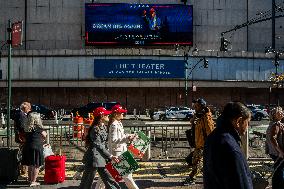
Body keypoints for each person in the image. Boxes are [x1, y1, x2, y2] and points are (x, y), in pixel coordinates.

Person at [203, 102, 253, 189]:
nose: (248, 126)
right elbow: (240, 183)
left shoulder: (213, 136)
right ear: (239, 121)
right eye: (247, 122)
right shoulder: (231, 148)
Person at [95, 104, 138, 189]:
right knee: (127, 177)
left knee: (106, 175)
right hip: (118, 154)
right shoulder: (114, 125)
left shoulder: (118, 123)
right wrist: (127, 139)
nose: (123, 114)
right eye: (121, 113)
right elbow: (114, 141)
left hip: (119, 153)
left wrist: (129, 136)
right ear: (116, 114)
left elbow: (121, 136)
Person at [79, 107, 121, 189]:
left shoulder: (103, 127)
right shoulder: (95, 129)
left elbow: (104, 144)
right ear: (101, 116)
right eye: (106, 114)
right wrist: (111, 156)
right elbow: (98, 145)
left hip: (102, 158)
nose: (108, 115)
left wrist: (109, 155)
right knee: (86, 182)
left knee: (109, 179)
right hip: (93, 159)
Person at [183, 98, 215, 185]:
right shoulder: (199, 115)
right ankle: (212, 179)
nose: (195, 108)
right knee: (202, 163)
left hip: (203, 145)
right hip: (199, 144)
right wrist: (194, 118)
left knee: (196, 163)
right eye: (195, 106)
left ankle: (191, 179)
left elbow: (210, 133)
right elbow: (192, 122)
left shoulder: (206, 118)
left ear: (202, 106)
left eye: (196, 106)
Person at [21, 109, 47, 187]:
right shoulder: (38, 128)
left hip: (27, 146)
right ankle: (33, 181)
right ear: (37, 119)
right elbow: (45, 135)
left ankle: (29, 179)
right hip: (36, 146)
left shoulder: (26, 128)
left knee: (30, 164)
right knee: (36, 165)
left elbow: (24, 137)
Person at [265, 107, 284, 188]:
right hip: (278, 153)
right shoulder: (276, 124)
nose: (282, 113)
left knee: (278, 171)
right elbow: (273, 138)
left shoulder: (276, 123)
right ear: (274, 115)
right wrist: (280, 151)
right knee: (279, 172)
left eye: (282, 111)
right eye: (279, 112)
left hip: (274, 152)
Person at [13, 102, 31, 175]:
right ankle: (23, 170)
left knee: (22, 153)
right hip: (23, 137)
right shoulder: (22, 115)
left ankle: (23, 169)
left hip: (20, 137)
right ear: (26, 108)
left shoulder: (19, 115)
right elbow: (22, 127)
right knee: (24, 153)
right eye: (29, 108)